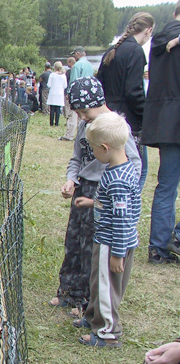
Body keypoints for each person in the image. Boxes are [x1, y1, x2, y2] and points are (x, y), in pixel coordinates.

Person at [49, 77, 142, 314]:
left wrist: (119, 193)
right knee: (74, 241)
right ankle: (69, 291)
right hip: (83, 189)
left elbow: (134, 164)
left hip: (104, 193)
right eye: (77, 112)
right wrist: (72, 179)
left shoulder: (114, 128)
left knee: (93, 246)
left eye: (84, 111)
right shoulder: (85, 126)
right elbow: (76, 158)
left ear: (98, 102)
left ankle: (88, 301)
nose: (81, 117)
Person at [72, 112, 141, 348]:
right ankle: (94, 317)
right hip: (112, 240)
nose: (92, 153)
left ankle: (107, 333)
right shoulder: (123, 169)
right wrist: (94, 202)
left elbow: (121, 220)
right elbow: (119, 205)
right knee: (97, 282)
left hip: (112, 243)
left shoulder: (117, 180)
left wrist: (117, 254)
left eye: (93, 148)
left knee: (106, 287)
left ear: (104, 147)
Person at [97, 12, 154, 193]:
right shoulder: (136, 51)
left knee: (110, 168)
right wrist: (146, 115)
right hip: (128, 122)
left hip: (107, 117)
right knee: (138, 170)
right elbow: (133, 91)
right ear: (148, 30)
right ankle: (130, 204)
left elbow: (100, 85)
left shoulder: (112, 50)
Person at [142, 2, 180, 264]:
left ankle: (158, 247)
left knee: (166, 185)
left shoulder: (159, 38)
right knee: (167, 186)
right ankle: (174, 237)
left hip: (165, 120)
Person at [59, 47, 94, 141]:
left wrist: (69, 94)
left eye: (74, 54)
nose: (74, 56)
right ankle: (82, 135)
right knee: (84, 116)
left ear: (78, 54)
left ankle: (69, 135)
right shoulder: (89, 65)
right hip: (87, 94)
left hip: (78, 94)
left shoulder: (77, 65)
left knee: (72, 115)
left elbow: (73, 82)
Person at [59, 56, 76, 141]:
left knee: (69, 112)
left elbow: (66, 83)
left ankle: (69, 131)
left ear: (70, 62)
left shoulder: (69, 72)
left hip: (68, 94)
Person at [46, 61, 67, 126]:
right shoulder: (63, 75)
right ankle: (57, 123)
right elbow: (65, 85)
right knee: (58, 109)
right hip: (60, 93)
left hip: (53, 92)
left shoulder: (52, 75)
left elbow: (49, 84)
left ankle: (51, 123)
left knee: (52, 109)